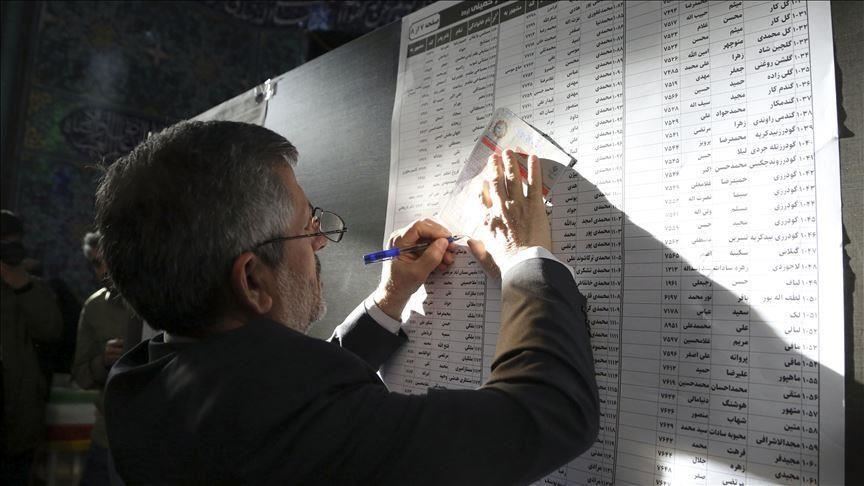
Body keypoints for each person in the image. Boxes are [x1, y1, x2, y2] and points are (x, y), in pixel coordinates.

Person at [98, 121, 599, 484]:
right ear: (251, 280)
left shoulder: (140, 385)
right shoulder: (284, 431)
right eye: (307, 226)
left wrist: (391, 297)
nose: (321, 241)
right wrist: (525, 257)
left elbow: (285, 390)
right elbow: (546, 416)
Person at [1, 209, 63, 485]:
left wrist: (21, 284)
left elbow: (51, 330)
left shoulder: (34, 288)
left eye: (12, 245)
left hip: (18, 421)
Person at [72, 231, 138, 486]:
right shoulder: (94, 307)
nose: (103, 271)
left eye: (108, 260)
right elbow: (81, 375)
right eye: (96, 263)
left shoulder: (158, 300)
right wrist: (103, 361)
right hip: (107, 434)